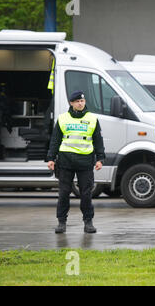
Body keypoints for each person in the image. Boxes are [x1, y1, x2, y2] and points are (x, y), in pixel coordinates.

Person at [47, 91, 105, 234]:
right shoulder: (62, 119)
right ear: (71, 103)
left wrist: (100, 158)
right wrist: (50, 158)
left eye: (82, 101)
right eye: (78, 101)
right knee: (64, 193)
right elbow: (55, 140)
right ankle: (61, 222)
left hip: (85, 161)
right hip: (65, 161)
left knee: (86, 194)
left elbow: (98, 140)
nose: (81, 103)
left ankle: (88, 222)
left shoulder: (92, 119)